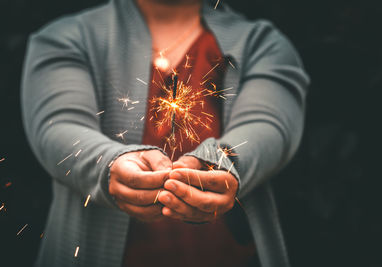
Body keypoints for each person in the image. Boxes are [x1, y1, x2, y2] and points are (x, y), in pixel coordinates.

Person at [21, 0, 309, 266]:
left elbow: (270, 125)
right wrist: (110, 164)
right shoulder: (66, 37)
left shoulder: (262, 44)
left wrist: (221, 162)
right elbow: (58, 127)